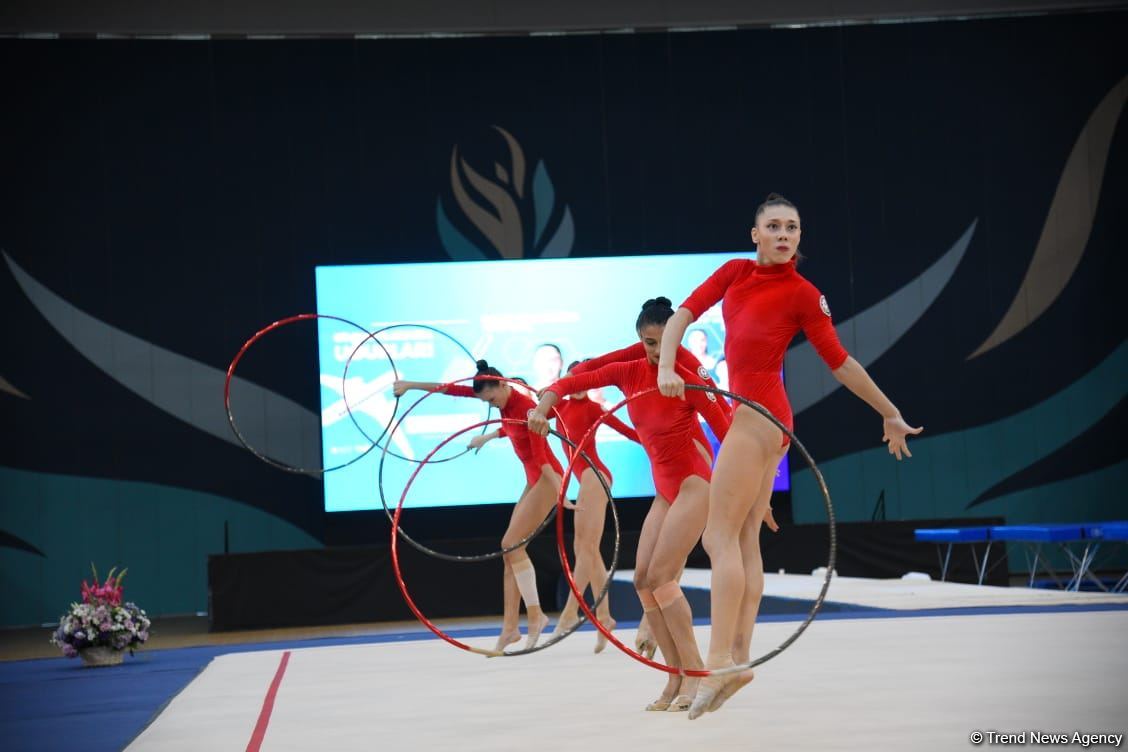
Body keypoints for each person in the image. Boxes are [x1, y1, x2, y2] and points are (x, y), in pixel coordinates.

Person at [656, 193, 923, 719]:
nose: (784, 235)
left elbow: (840, 363)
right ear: (754, 233)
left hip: (759, 417)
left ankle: (718, 661)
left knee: (718, 536)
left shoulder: (803, 293)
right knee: (744, 538)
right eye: (774, 227)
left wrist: (888, 411)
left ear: (800, 237)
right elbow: (680, 317)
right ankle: (737, 657)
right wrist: (668, 366)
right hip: (762, 419)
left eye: (793, 228)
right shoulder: (733, 273)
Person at [529, 298, 732, 713]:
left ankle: (696, 674)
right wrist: (544, 403)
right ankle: (675, 676)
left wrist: (750, 491)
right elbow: (576, 379)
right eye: (648, 343)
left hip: (695, 483)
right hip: (665, 489)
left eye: (661, 343)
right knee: (642, 580)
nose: (656, 353)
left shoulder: (689, 373)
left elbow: (726, 428)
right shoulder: (630, 368)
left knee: (661, 576)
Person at [394, 360, 564, 653]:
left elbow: (541, 454)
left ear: (503, 384)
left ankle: (536, 615)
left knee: (510, 544)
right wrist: (410, 386)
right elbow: (451, 390)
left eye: (492, 399)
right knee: (509, 553)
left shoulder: (526, 407)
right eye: (487, 402)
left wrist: (562, 493)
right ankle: (510, 628)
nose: (492, 405)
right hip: (535, 480)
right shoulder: (506, 405)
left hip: (548, 479)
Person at [548, 360, 642, 653]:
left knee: (585, 548)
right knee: (586, 551)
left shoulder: (593, 409)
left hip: (595, 475)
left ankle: (569, 614)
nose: (580, 386)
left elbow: (629, 432)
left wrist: (658, 443)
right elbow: (529, 418)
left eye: (586, 381)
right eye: (575, 381)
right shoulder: (558, 408)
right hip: (584, 478)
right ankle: (604, 617)